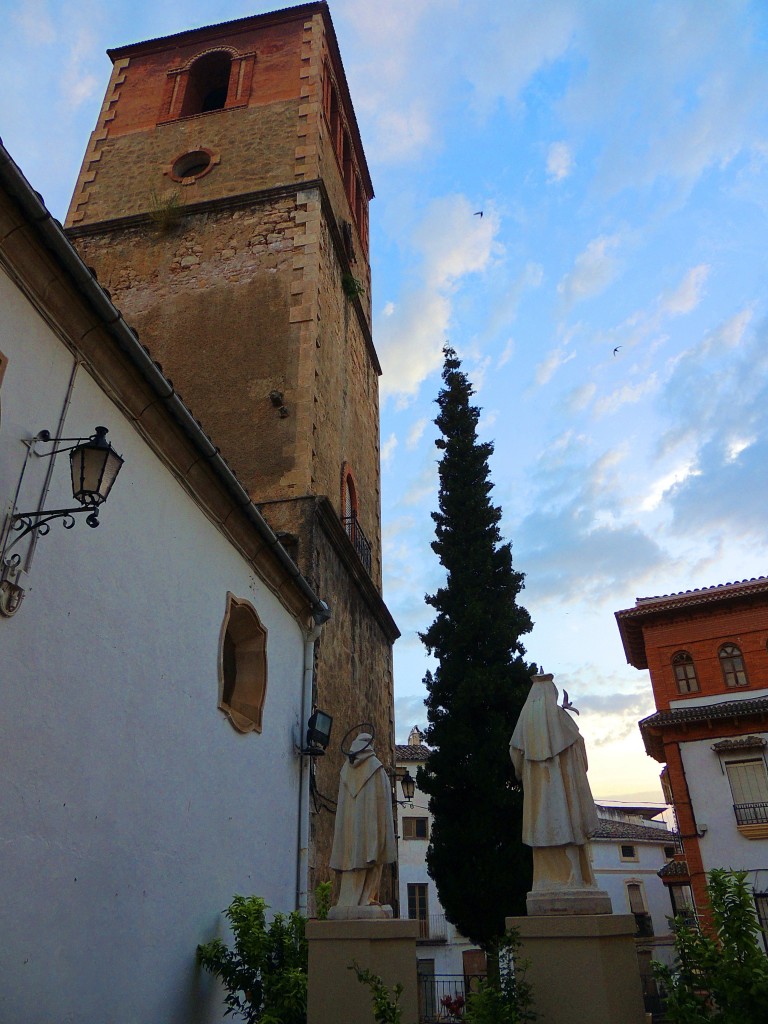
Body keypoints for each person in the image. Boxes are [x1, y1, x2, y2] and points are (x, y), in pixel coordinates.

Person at [510, 673, 599, 892]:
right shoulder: (562, 719)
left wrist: (526, 770)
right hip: (566, 796)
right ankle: (578, 881)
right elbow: (581, 751)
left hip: (538, 797)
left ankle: (545, 883)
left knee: (541, 830)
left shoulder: (524, 723)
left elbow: (516, 755)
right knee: (569, 827)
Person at [329, 732, 396, 913]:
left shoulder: (345, 770)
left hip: (350, 837)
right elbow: (382, 805)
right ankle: (367, 897)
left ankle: (348, 900)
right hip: (370, 832)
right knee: (372, 859)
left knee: (352, 860)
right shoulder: (376, 768)